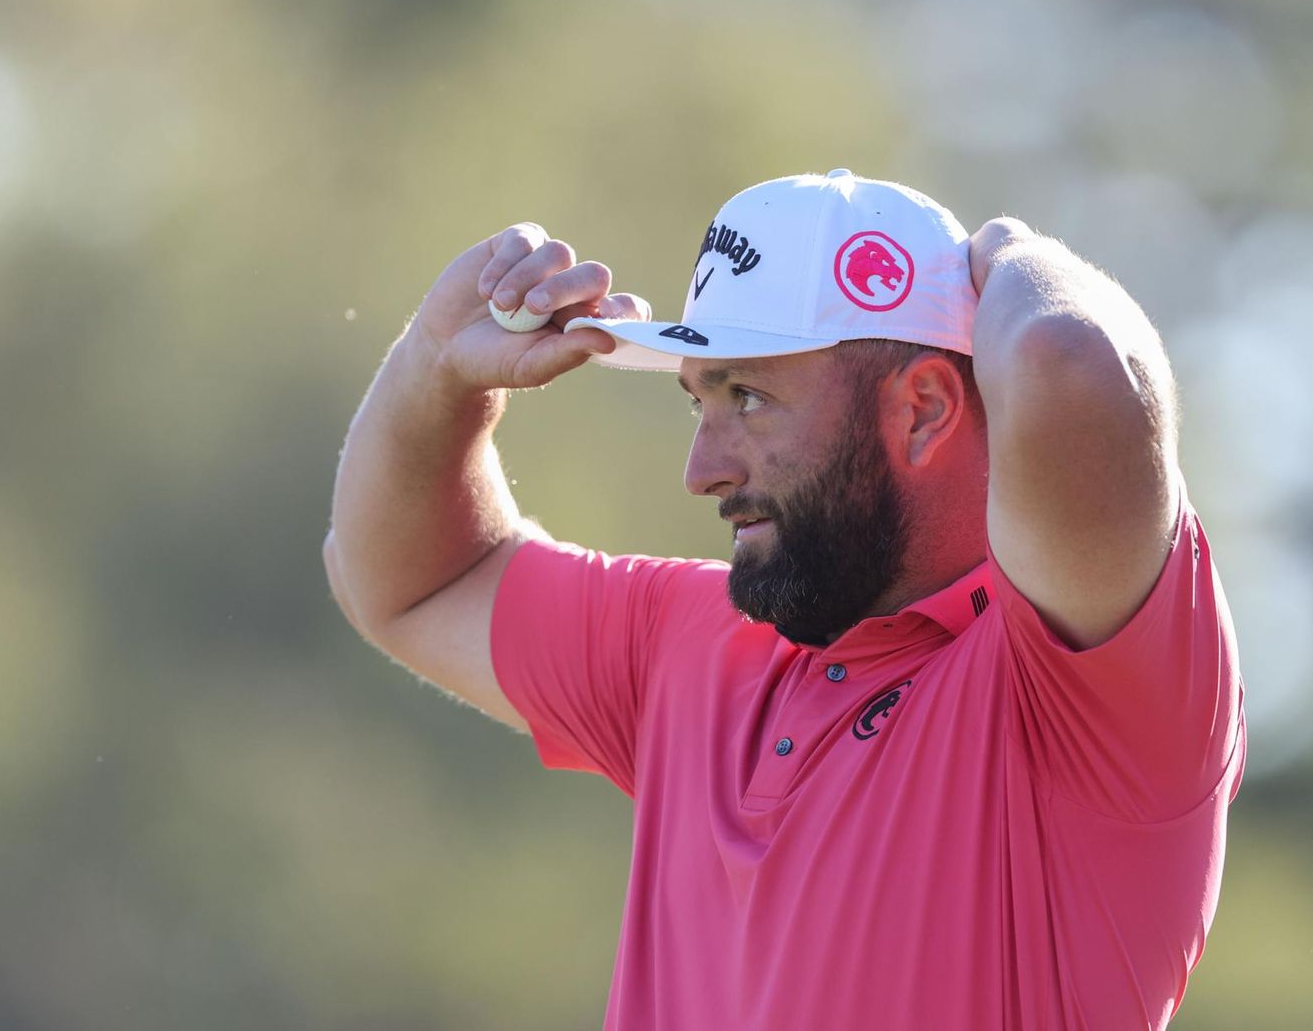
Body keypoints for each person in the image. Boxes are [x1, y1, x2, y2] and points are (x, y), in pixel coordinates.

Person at [324, 169, 1245, 1029]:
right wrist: (436, 368)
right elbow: (408, 579)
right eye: (700, 401)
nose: (702, 469)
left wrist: (1012, 255)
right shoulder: (687, 643)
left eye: (751, 397)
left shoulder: (1085, 691)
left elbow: (1066, 360)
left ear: (922, 409)